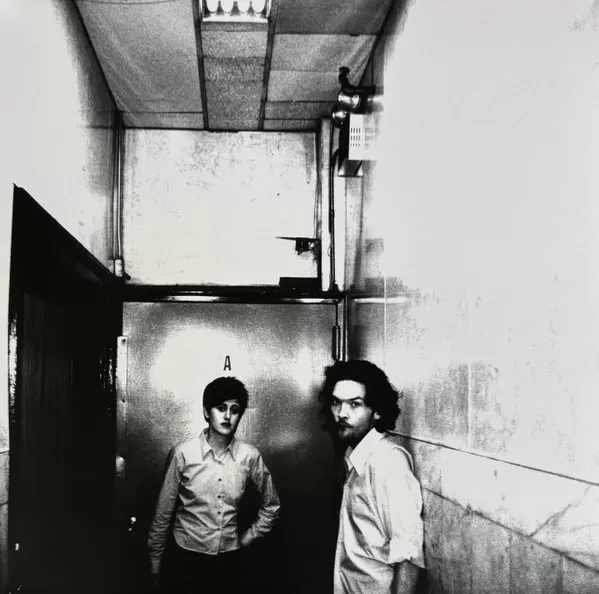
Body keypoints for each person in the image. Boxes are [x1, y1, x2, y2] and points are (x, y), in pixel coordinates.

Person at [147, 376, 280, 594]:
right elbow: (163, 513)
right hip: (184, 557)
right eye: (221, 408)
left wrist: (248, 538)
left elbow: (272, 506)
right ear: (207, 412)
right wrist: (155, 563)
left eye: (234, 410)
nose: (227, 416)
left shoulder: (250, 456)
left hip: (228, 562)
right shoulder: (183, 454)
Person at [319, 360, 425, 594]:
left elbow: (409, 559)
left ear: (377, 412)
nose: (341, 413)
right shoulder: (356, 457)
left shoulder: (388, 462)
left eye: (354, 404)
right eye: (336, 402)